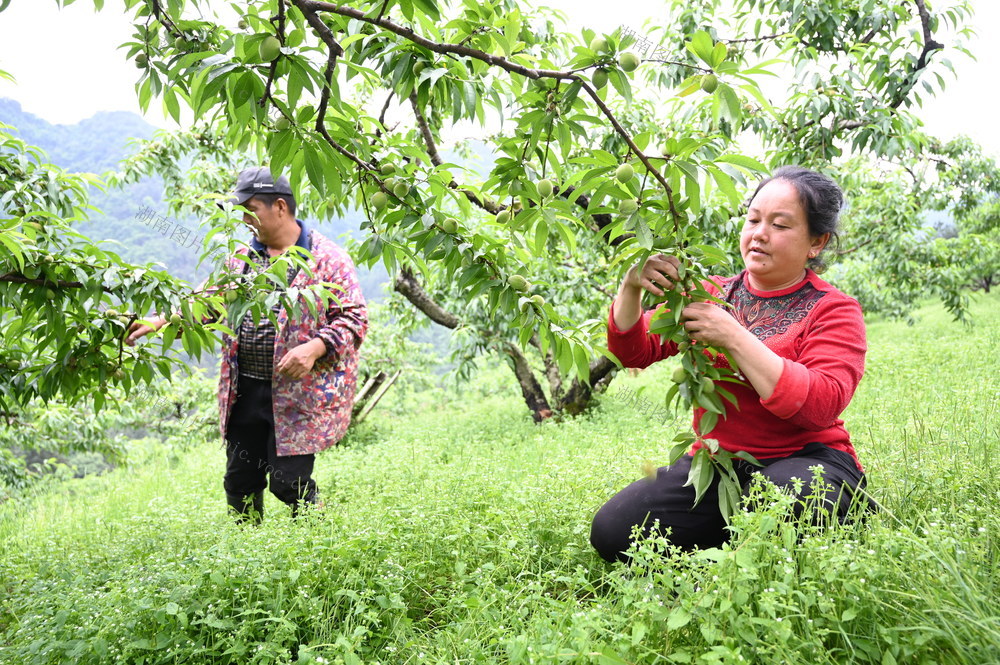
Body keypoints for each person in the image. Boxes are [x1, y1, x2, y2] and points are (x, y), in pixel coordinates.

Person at [590, 166, 869, 562]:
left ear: (817, 242)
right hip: (718, 462)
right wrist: (631, 285)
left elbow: (819, 405)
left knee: (782, 492)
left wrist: (734, 336)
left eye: (780, 224)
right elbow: (634, 351)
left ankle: (810, 519)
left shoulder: (834, 310)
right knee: (614, 530)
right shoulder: (711, 293)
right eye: (753, 219)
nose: (759, 233)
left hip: (807, 459)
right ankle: (736, 537)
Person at [127, 167, 368, 522]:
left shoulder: (328, 259)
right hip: (245, 389)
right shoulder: (240, 259)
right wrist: (160, 321)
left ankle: (322, 542)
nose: (243, 219)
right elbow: (208, 304)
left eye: (251, 209)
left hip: (298, 396)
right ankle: (248, 554)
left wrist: (314, 347)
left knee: (289, 483)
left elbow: (353, 318)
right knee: (240, 481)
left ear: (281, 207)